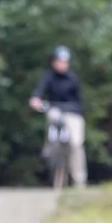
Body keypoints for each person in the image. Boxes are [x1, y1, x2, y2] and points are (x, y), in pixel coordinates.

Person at [27, 45, 87, 187]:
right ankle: (51, 149)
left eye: (65, 62)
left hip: (73, 113)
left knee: (76, 144)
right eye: (59, 61)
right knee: (53, 119)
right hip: (55, 111)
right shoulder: (49, 77)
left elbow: (80, 102)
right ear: (54, 62)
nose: (62, 65)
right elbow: (39, 92)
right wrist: (35, 100)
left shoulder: (73, 79)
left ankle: (80, 180)